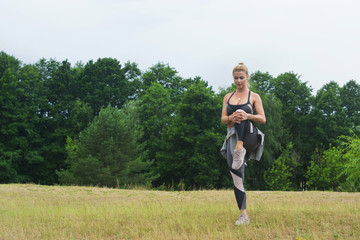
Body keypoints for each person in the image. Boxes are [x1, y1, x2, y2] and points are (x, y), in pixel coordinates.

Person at [220, 62, 266, 226]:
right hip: (232, 137)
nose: (238, 81)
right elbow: (224, 120)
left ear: (247, 77)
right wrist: (233, 118)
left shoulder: (254, 96)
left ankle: (240, 147)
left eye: (241, 78)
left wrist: (247, 116)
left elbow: (262, 118)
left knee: (241, 113)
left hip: (250, 137)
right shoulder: (228, 97)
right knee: (237, 177)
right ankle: (243, 215)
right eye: (235, 78)